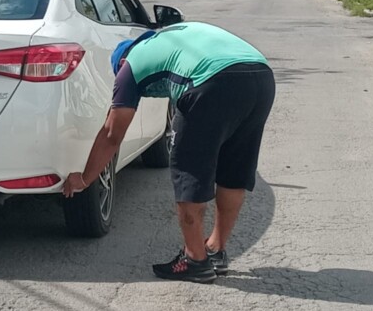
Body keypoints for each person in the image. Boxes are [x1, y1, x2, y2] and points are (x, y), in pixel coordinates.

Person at [62, 23, 275, 284]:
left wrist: (84, 179)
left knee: (189, 169)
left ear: (122, 61)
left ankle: (195, 260)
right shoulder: (173, 38)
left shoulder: (130, 66)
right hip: (261, 75)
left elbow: (111, 133)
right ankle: (216, 250)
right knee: (234, 170)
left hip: (212, 81)